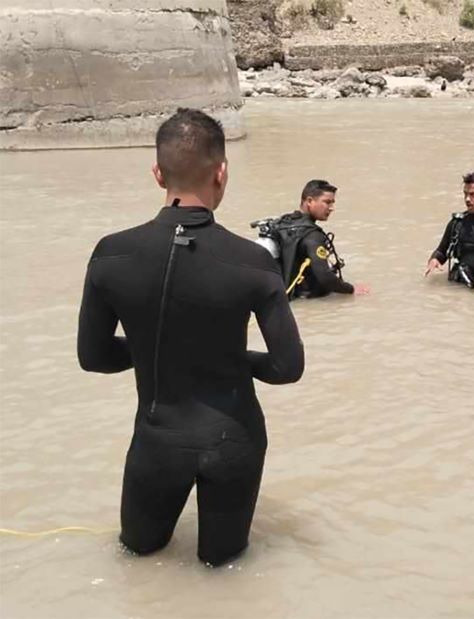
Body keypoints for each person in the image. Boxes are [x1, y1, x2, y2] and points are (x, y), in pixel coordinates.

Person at [77, 108, 305, 567]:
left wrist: (152, 351)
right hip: (233, 441)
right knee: (224, 570)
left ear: (157, 173)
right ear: (221, 172)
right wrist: (230, 356)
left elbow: (94, 357)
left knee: (138, 560)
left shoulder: (111, 252)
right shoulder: (253, 262)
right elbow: (287, 367)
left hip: (156, 441)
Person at [262, 180, 369, 299]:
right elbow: (324, 276)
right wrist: (351, 289)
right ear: (309, 201)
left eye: (332, 203)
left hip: (285, 296)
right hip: (308, 299)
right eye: (327, 202)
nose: (331, 208)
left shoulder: (282, 224)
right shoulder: (312, 235)